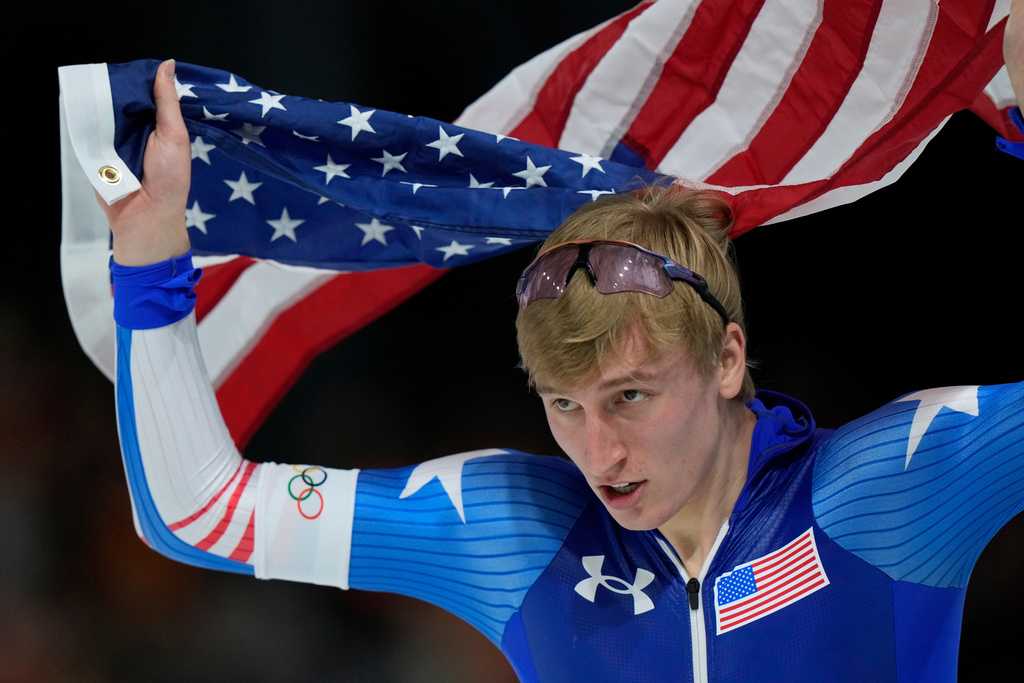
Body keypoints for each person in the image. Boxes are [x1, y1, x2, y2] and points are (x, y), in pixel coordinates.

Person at [96, 11, 1024, 680]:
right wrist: (148, 258)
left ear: (728, 358)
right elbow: (196, 512)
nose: (598, 452)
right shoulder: (512, 530)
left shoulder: (890, 489)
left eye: (630, 396)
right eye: (563, 405)